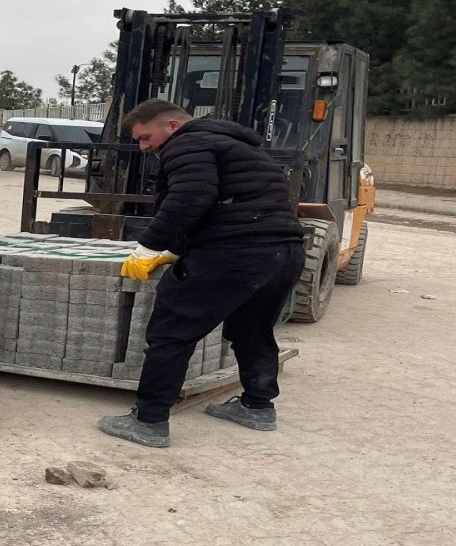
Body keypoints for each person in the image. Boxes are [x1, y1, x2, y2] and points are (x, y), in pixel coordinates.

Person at [98, 99, 306, 449]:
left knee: (171, 333)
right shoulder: (237, 147)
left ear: (172, 126)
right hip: (284, 252)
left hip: (233, 255)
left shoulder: (188, 144)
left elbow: (191, 196)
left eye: (146, 137)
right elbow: (230, 203)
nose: (144, 147)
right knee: (252, 329)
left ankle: (148, 421)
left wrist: (148, 246)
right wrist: (176, 249)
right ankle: (257, 406)